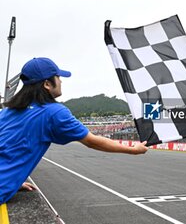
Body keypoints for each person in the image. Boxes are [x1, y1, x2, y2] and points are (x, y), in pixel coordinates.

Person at [0, 57, 148, 205]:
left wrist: (14, 180)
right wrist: (133, 150)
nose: (61, 81)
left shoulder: (7, 111)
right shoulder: (54, 112)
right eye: (57, 77)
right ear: (47, 84)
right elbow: (92, 141)